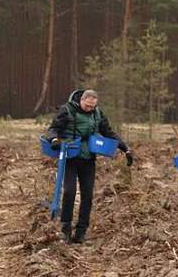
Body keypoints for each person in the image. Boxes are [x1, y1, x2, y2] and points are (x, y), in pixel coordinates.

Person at [45, 89, 134, 244]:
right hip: (70, 156)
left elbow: (109, 133)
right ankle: (65, 229)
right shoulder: (67, 110)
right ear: (81, 100)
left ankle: (81, 231)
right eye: (87, 106)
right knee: (70, 191)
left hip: (88, 159)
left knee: (87, 195)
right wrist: (54, 140)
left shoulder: (97, 114)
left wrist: (125, 148)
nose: (89, 109)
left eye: (92, 107)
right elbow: (53, 129)